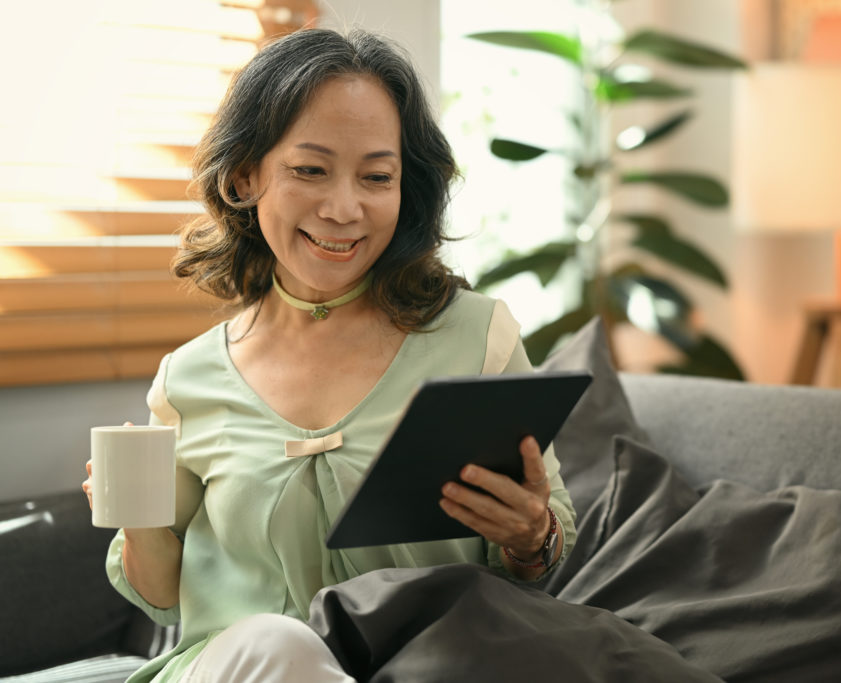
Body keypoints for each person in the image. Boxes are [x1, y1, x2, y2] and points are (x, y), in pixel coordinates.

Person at [81, 28, 576, 682]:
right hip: (235, 670)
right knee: (277, 645)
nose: (344, 208)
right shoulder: (189, 377)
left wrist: (530, 534)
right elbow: (163, 594)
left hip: (432, 665)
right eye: (309, 170)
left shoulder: (477, 338)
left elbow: (548, 548)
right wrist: (135, 520)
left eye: (377, 177)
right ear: (245, 176)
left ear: (408, 189)